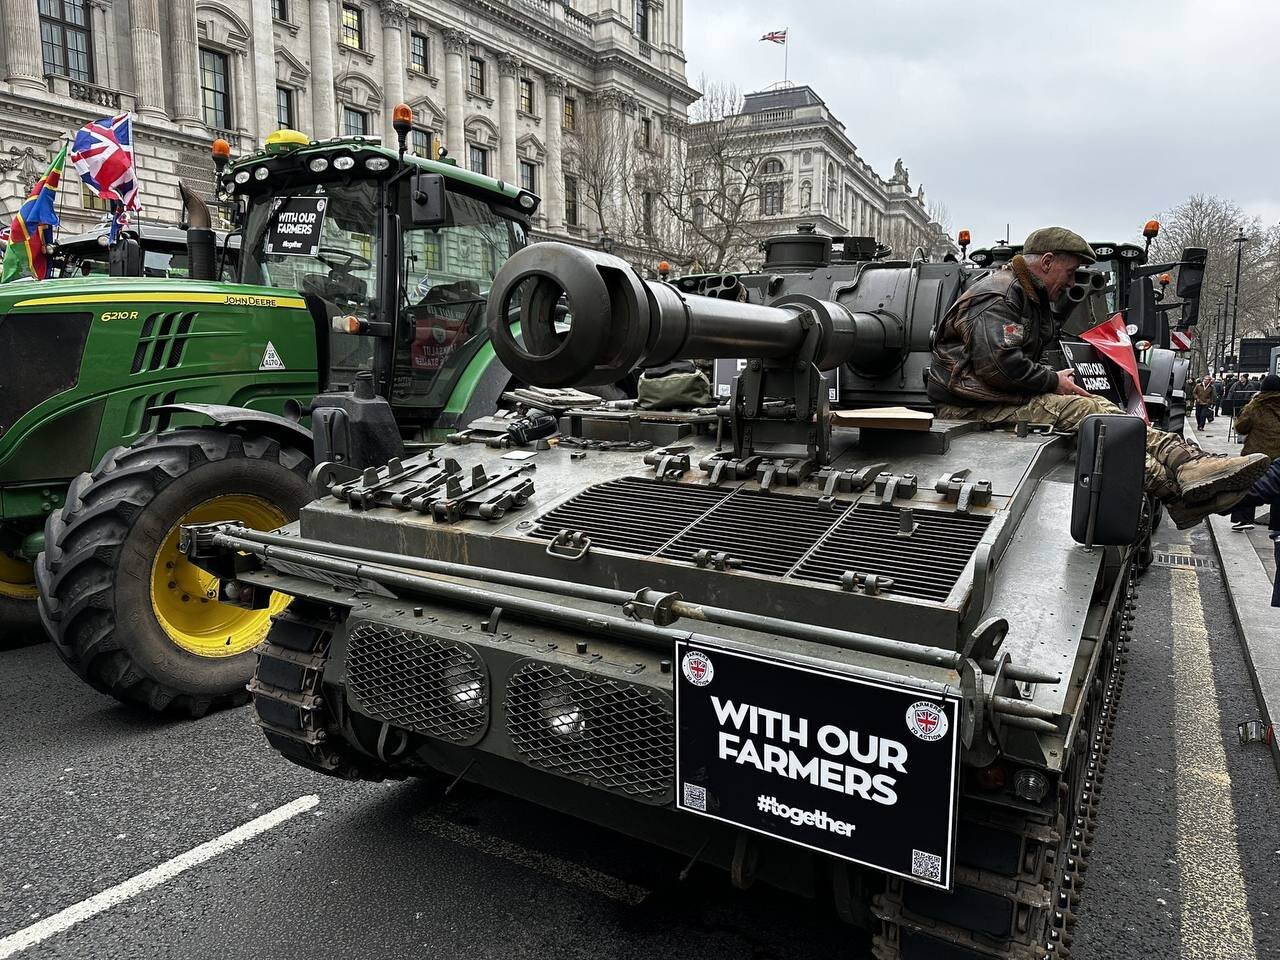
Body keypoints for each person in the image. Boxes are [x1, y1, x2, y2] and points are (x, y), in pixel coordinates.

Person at [927, 226, 1270, 530]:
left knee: (1098, 407)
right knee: (1090, 417)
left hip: (994, 397)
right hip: (969, 405)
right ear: (1046, 261)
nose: (1071, 281)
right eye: (1070, 270)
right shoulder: (1000, 295)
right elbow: (1000, 367)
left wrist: (1051, 379)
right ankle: (1181, 490)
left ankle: (1188, 467)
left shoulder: (1025, 293)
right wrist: (1052, 380)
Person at [1229, 374, 1280, 530]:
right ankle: (1276, 523)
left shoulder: (1256, 405)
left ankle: (1245, 519)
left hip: (1256, 453)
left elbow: (1240, 427)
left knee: (1247, 483)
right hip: (1278, 455)